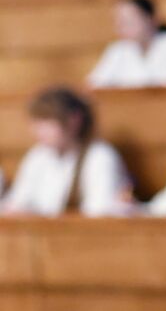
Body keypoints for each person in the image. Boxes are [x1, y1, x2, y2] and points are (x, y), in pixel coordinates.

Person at [1, 86, 129, 216]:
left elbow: (99, 211)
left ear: (74, 120)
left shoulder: (100, 156)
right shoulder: (37, 155)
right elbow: (18, 202)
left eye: (47, 122)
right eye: (37, 123)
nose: (39, 132)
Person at [87, 0, 166, 89]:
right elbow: (95, 85)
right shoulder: (118, 50)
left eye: (128, 21)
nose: (122, 27)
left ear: (151, 19)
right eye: (119, 22)